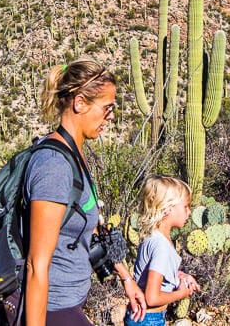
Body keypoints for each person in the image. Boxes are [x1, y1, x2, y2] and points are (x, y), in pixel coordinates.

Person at [23, 59, 147, 325]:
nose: (111, 116)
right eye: (107, 108)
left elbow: (89, 229)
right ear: (79, 103)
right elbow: (36, 265)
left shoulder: (75, 155)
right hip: (51, 308)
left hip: (70, 302)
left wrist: (126, 278)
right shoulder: (54, 166)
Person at [126, 175, 201, 326]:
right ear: (168, 209)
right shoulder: (161, 246)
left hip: (143, 317)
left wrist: (181, 276)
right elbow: (152, 297)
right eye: (185, 207)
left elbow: (157, 273)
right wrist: (182, 293)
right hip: (148, 319)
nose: (189, 212)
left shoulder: (156, 238)